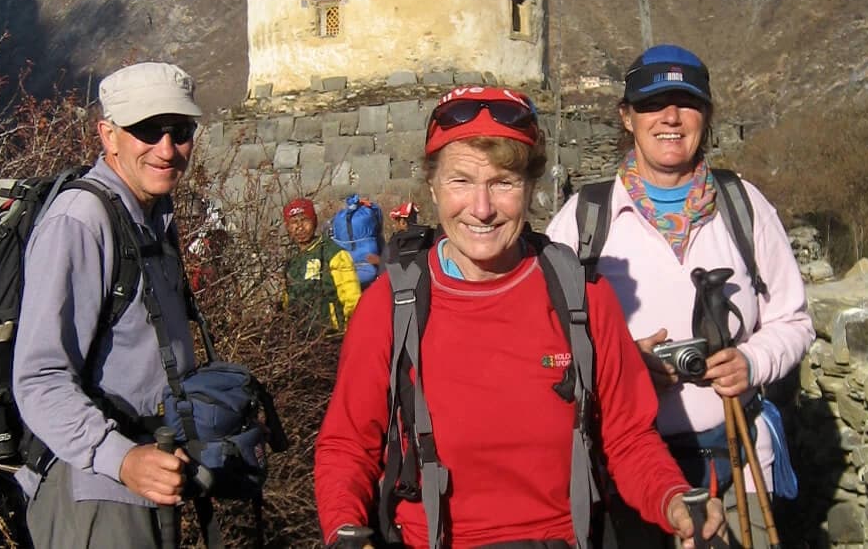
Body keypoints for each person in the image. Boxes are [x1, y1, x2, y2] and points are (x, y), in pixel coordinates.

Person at [315, 85, 726, 548]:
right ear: (431, 186)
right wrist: (345, 531)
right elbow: (349, 446)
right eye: (461, 181)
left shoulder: (581, 297)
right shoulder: (394, 304)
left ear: (531, 187)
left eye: (503, 182)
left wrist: (675, 501)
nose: (482, 208)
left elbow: (629, 438)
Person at [546, 45, 815, 548]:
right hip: (624, 474)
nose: (670, 117)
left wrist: (752, 362)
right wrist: (622, 369)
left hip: (741, 466)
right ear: (627, 117)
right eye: (652, 104)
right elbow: (548, 343)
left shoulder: (744, 206)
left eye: (686, 103)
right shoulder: (584, 221)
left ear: (706, 116)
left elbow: (794, 321)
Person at [12, 61, 203, 548]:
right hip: (95, 491)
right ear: (108, 135)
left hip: (146, 476)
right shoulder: (80, 222)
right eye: (145, 130)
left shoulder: (152, 216)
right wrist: (119, 457)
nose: (166, 149)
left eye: (179, 131)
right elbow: (38, 379)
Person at [283, 197, 362, 330]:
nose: (300, 227)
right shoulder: (291, 261)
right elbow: (287, 300)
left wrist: (353, 330)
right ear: (288, 227)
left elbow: (352, 297)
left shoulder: (333, 253)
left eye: (304, 220)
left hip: (332, 334)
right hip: (299, 337)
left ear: (314, 222)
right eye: (294, 222)